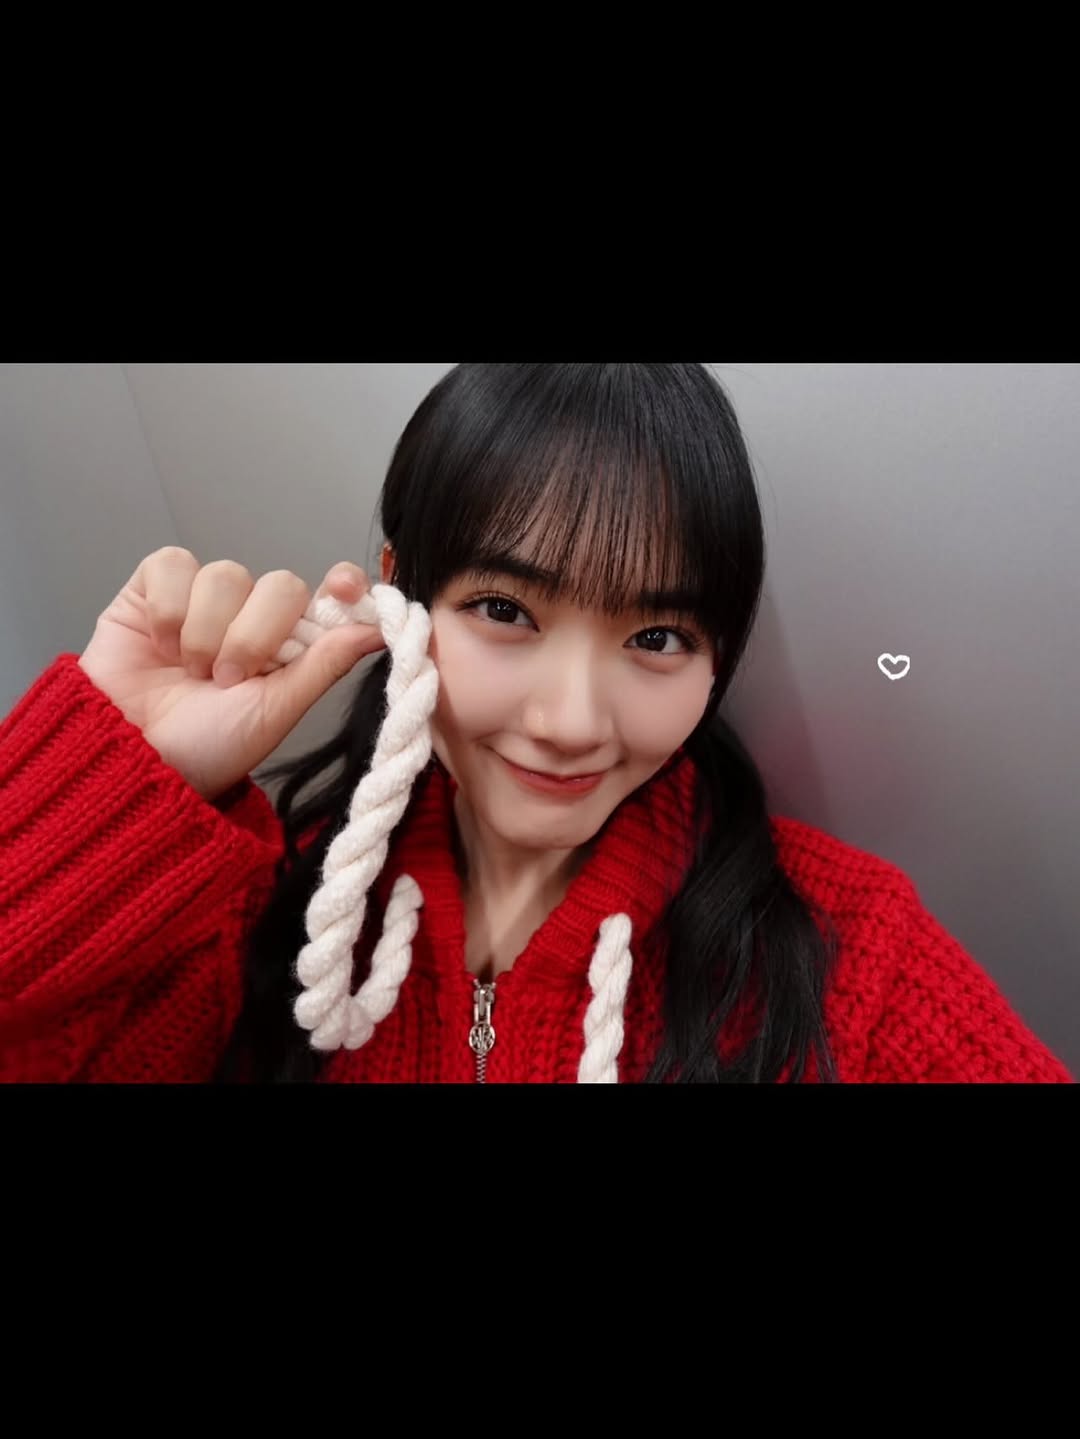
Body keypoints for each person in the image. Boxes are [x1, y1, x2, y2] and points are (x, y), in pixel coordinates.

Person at [0, 363, 1071, 1083]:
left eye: (657, 635)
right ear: (399, 592)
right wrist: (106, 790)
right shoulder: (242, 924)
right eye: (506, 611)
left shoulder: (846, 961)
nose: (570, 721)